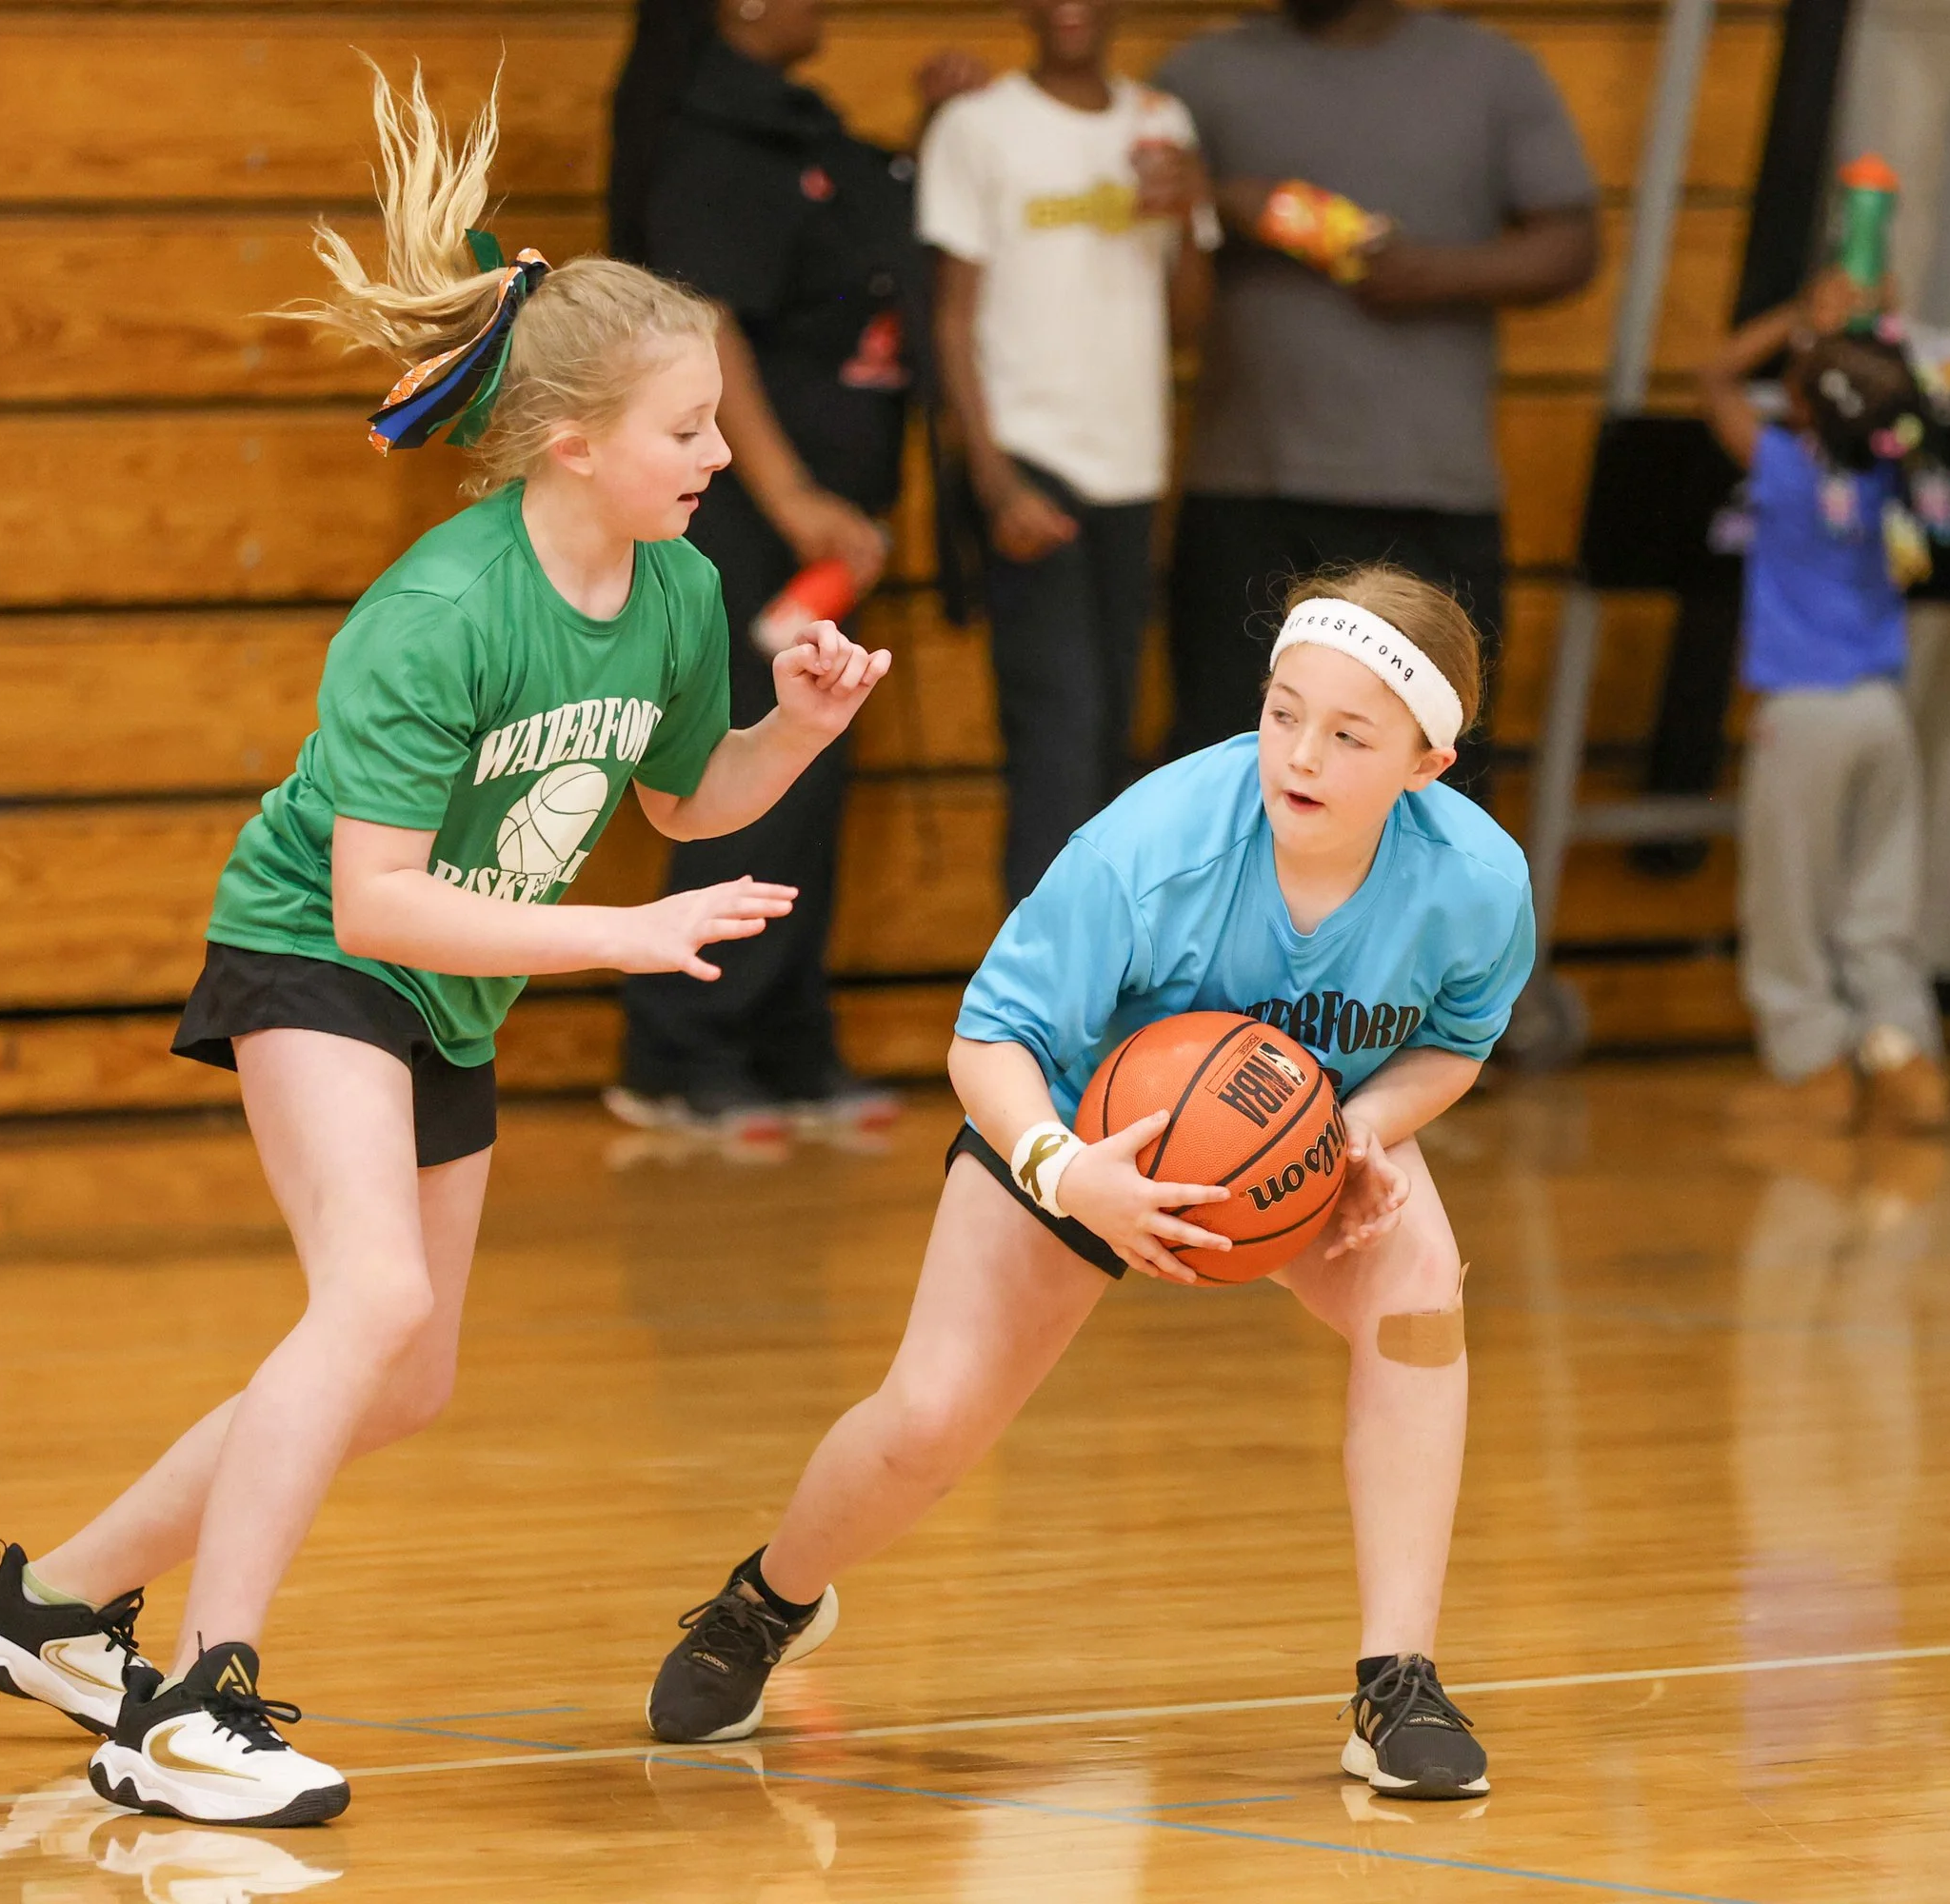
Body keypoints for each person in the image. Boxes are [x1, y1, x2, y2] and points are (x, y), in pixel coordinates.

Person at [0, 65, 891, 1828]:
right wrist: (623, 939)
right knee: (367, 1301)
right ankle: (187, 1706)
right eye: (691, 428)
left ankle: (46, 1604)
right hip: (317, 951)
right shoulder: (440, 611)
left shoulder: (676, 591)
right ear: (573, 442)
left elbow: (682, 805)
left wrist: (796, 735)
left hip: (448, 984)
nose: (718, 456)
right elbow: (373, 901)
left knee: (409, 1374)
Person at [646, 564, 1532, 1802]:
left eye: (1349, 734)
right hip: (1070, 1127)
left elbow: (1457, 1041)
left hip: (1294, 1143)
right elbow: (983, 1043)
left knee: (1422, 1297)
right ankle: (768, 1599)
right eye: (1284, 713)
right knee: (931, 1422)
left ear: (1426, 765)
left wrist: (1368, 1130)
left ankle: (1399, 1679)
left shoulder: (1477, 883)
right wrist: (1069, 1174)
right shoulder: (1147, 849)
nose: (1303, 753)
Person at [605, 0, 970, 1137]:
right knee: (738, 777)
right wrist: (796, 498)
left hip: (828, 530)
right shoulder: (709, 135)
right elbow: (705, 326)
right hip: (748, 529)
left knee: (809, 777)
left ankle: (785, 1033)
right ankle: (681, 1049)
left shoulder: (803, 128)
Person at [1156, 0, 1600, 803]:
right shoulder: (1199, 77)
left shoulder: (1491, 71)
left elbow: (1573, 244)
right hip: (1245, 489)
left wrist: (1433, 275)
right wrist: (1225, 202)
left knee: (1436, 790)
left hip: (1430, 492)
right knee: (1223, 780)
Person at [919, 0, 1213, 903]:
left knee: (1109, 745)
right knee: (1057, 743)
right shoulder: (978, 126)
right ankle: (1032, 1022)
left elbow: (1190, 325)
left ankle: (1105, 1009)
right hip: (1029, 462)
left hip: (1131, 468)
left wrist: (1193, 207)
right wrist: (994, 479)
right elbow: (952, 318)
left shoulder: (1163, 123)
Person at [1699, 275, 1950, 1132]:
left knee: (1789, 899)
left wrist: (1797, 316)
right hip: (1884, 710)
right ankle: (1902, 1051)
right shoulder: (1899, 477)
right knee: (1881, 892)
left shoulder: (1781, 469)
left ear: (1803, 405)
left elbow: (1713, 378)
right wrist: (1879, 336)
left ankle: (1814, 1067)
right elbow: (1904, 393)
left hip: (1802, 714)